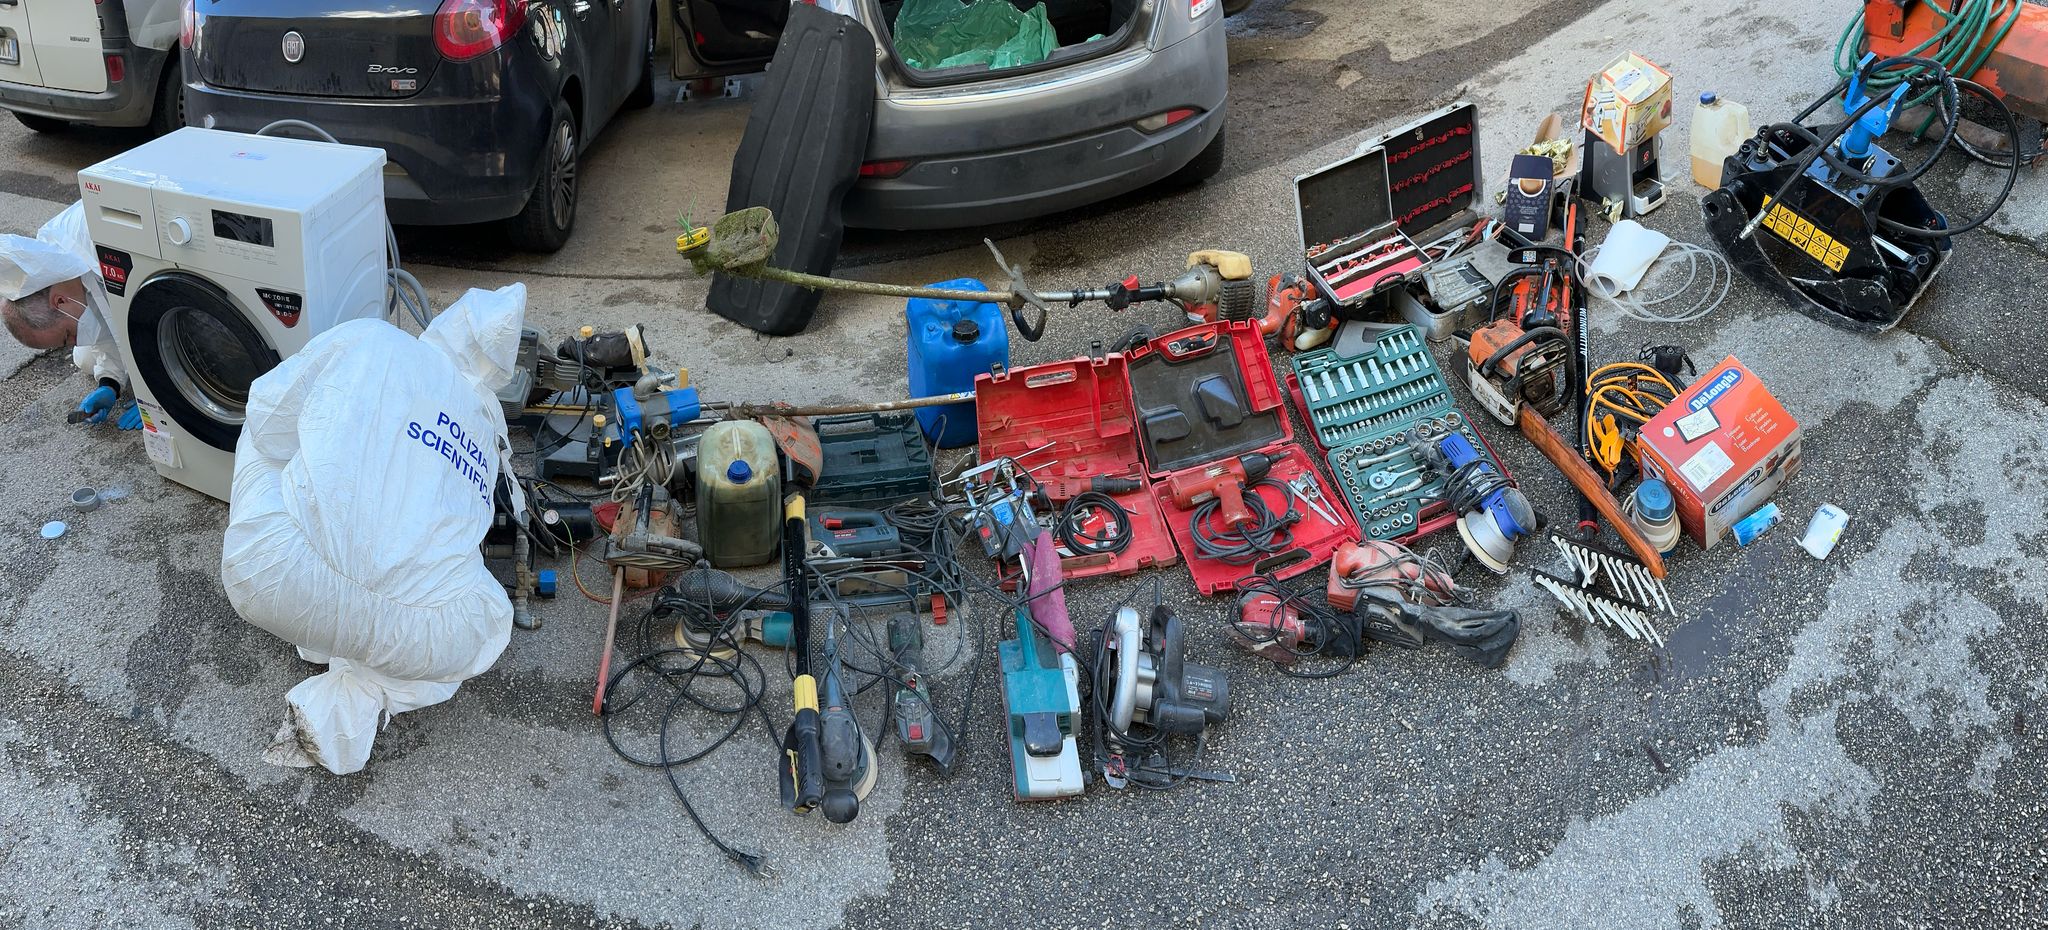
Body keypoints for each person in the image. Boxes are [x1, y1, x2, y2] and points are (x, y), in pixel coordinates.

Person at [0, 202, 138, 429]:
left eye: (67, 336)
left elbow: (164, 307)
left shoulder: (97, 245)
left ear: (60, 301)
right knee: (85, 358)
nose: (75, 341)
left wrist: (161, 398)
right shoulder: (57, 272)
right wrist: (110, 383)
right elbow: (106, 320)